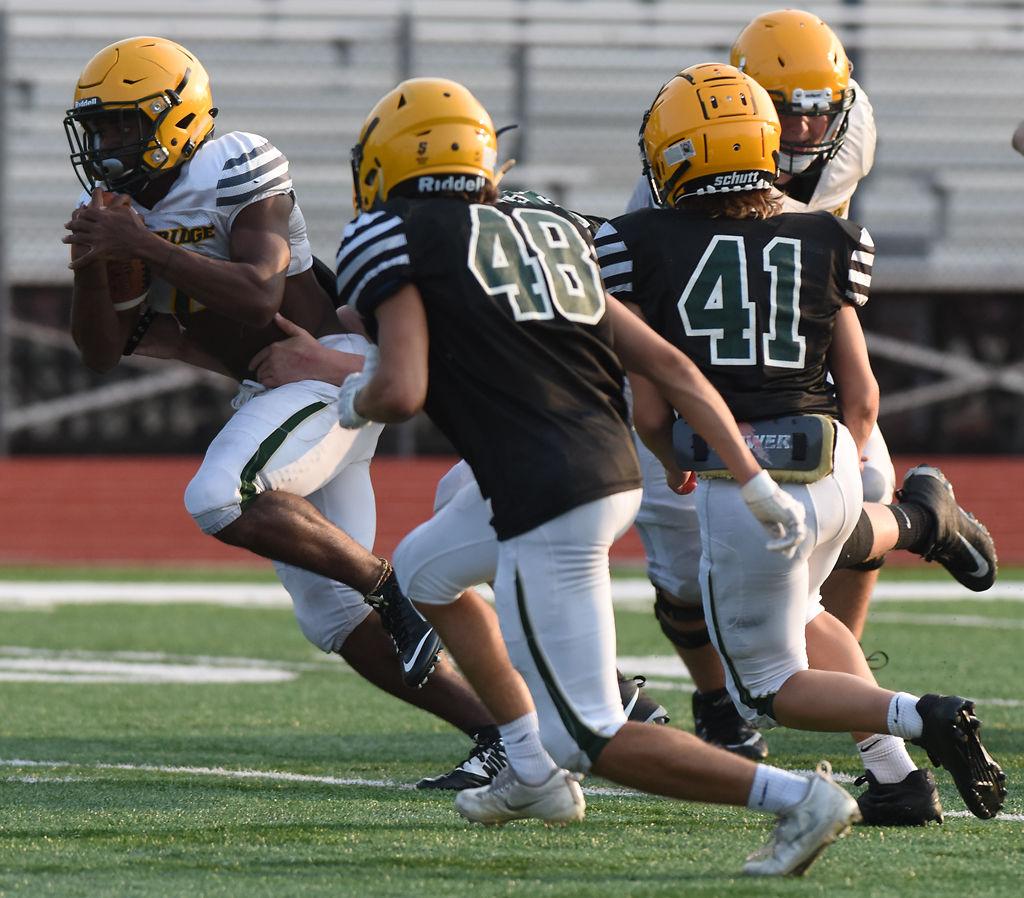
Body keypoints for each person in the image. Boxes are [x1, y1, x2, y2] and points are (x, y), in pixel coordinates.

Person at [333, 75, 865, 878]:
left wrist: (354, 396)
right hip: (609, 466)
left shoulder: (388, 232)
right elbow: (671, 366)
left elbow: (400, 391)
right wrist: (751, 477)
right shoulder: (549, 226)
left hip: (550, 495)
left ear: (382, 166)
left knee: (591, 734)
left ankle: (797, 797)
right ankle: (528, 769)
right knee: (422, 571)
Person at [60, 36, 507, 783]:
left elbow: (259, 290)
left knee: (219, 495)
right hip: (275, 393)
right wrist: (87, 270)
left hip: (327, 370)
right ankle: (503, 733)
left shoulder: (234, 163)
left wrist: (146, 245)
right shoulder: (112, 211)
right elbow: (103, 350)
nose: (107, 145)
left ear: (175, 119)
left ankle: (386, 584)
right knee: (330, 617)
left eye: (122, 126)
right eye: (97, 128)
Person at [597, 62, 1005, 827]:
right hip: (830, 462)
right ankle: (897, 782)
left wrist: (673, 461)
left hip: (740, 479)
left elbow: (651, 395)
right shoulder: (829, 235)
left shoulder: (631, 243)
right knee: (811, 615)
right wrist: (844, 465)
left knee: (767, 685)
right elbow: (863, 394)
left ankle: (928, 715)